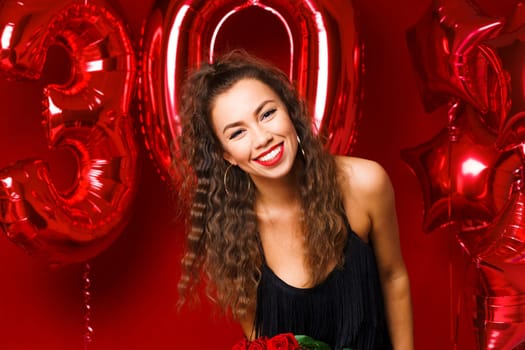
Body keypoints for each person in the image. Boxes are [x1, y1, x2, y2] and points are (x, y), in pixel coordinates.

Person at [175, 49, 413, 350]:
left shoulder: (365, 183)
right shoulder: (232, 233)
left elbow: (393, 277)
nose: (262, 138)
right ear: (227, 156)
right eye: (237, 133)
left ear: (289, 110)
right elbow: (259, 342)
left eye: (267, 114)